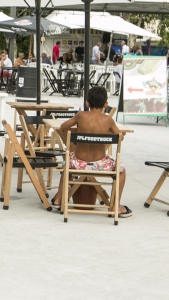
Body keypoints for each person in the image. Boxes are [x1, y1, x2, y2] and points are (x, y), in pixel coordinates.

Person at [50, 86, 131, 218]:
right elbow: (119, 137)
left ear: (87, 102)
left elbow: (63, 127)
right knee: (121, 170)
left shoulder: (81, 115)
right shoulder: (108, 120)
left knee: (67, 162)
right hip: (101, 164)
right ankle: (116, 205)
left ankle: (58, 198)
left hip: (78, 163)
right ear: (105, 104)